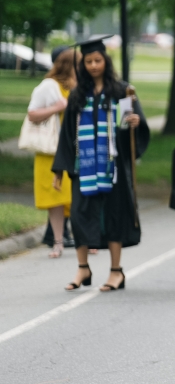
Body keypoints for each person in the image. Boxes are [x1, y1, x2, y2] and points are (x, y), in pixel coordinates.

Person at [52, 36, 148, 292]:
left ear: (106, 60)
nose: (94, 65)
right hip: (83, 168)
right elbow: (67, 135)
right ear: (82, 64)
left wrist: (134, 124)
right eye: (89, 61)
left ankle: (116, 271)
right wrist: (60, 168)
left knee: (113, 217)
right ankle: (83, 268)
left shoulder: (121, 91)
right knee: (81, 217)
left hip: (112, 168)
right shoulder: (77, 95)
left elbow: (128, 129)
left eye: (98, 60)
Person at [27, 47, 77, 258]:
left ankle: (84, 239)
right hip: (51, 151)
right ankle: (58, 241)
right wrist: (57, 107)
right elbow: (32, 114)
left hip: (73, 149)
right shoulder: (49, 86)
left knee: (75, 196)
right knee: (55, 198)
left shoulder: (79, 86)